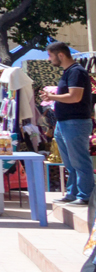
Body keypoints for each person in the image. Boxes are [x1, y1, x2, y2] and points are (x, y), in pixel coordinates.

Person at [46, 42, 93, 205]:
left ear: (60, 55)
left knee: (79, 160)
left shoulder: (76, 72)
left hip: (76, 122)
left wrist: (52, 97)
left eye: (50, 55)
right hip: (65, 122)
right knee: (70, 162)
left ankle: (85, 195)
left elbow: (75, 97)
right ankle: (72, 193)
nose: (49, 59)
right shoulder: (69, 72)